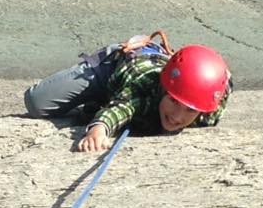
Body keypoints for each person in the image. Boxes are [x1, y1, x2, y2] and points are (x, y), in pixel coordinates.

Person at [24, 32, 231, 152]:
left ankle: (92, 106)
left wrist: (220, 72)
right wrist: (99, 129)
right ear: (163, 88)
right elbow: (121, 108)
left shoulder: (207, 109)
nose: (177, 117)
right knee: (37, 103)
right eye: (173, 101)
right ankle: (102, 68)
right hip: (115, 70)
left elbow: (225, 86)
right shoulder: (142, 92)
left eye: (189, 110)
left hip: (158, 72)